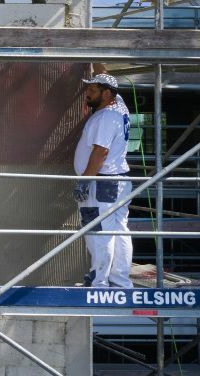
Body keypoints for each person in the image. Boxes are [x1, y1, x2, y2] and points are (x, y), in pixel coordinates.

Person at [74, 73, 133, 288]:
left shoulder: (105, 117)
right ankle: (120, 279)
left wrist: (85, 181)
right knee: (118, 229)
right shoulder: (120, 108)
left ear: (107, 93)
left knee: (99, 230)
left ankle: (99, 281)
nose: (87, 94)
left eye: (92, 90)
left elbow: (100, 152)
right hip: (117, 180)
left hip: (102, 182)